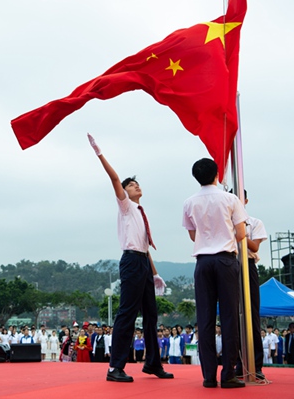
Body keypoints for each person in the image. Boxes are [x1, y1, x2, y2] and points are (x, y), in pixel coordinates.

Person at [88, 133, 172, 383]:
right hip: (131, 262)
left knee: (151, 315)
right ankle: (115, 367)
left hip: (143, 263)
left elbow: (146, 247)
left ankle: (153, 363)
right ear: (124, 191)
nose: (136, 186)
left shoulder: (140, 211)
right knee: (127, 313)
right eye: (131, 184)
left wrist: (155, 273)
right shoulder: (125, 206)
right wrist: (99, 153)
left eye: (137, 184)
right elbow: (114, 178)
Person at [182, 158, 248, 389]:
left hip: (203, 261)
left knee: (205, 318)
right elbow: (241, 233)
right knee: (229, 317)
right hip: (225, 259)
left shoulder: (189, 202)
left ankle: (209, 375)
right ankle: (228, 373)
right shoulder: (230, 199)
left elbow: (193, 235)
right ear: (217, 174)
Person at [230, 189, 267, 379]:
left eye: (239, 198)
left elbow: (255, 246)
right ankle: (236, 364)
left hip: (249, 265)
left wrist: (240, 229)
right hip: (230, 264)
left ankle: (256, 364)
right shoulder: (224, 222)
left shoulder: (255, 222)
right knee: (233, 316)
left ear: (245, 200)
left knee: (252, 314)